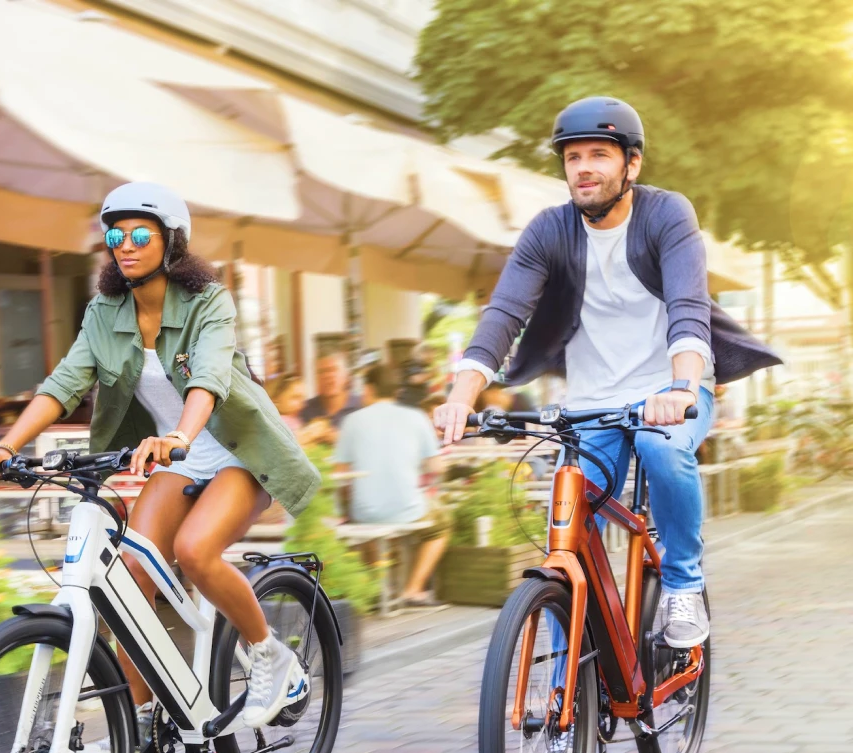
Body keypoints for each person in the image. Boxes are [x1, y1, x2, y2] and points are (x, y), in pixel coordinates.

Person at [0, 181, 320, 732]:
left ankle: (274, 661)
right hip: (174, 458)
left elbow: (207, 376)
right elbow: (65, 381)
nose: (125, 245)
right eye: (115, 235)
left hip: (236, 451)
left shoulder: (210, 301)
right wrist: (6, 444)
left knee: (196, 550)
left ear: (171, 242)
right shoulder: (105, 311)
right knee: (131, 574)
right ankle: (137, 715)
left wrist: (181, 434)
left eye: (139, 234)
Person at [435, 96, 780, 648]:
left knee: (663, 448)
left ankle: (683, 583)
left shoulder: (666, 214)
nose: (584, 168)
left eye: (599, 154)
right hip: (591, 402)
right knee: (567, 528)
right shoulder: (549, 231)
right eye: (573, 158)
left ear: (632, 165)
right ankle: (569, 677)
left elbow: (689, 308)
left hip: (671, 391)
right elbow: (503, 314)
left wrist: (683, 387)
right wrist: (461, 395)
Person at [335, 363, 449, 606]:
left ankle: (377, 585)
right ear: (396, 391)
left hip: (364, 512)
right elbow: (436, 468)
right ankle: (413, 588)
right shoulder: (417, 417)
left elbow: (340, 474)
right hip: (409, 509)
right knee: (442, 524)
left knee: (359, 514)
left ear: (369, 389)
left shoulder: (351, 421)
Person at [300, 352, 361, 442]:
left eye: (333, 370)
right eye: (321, 372)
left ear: (346, 375)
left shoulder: (362, 406)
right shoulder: (304, 409)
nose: (328, 376)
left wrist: (343, 439)